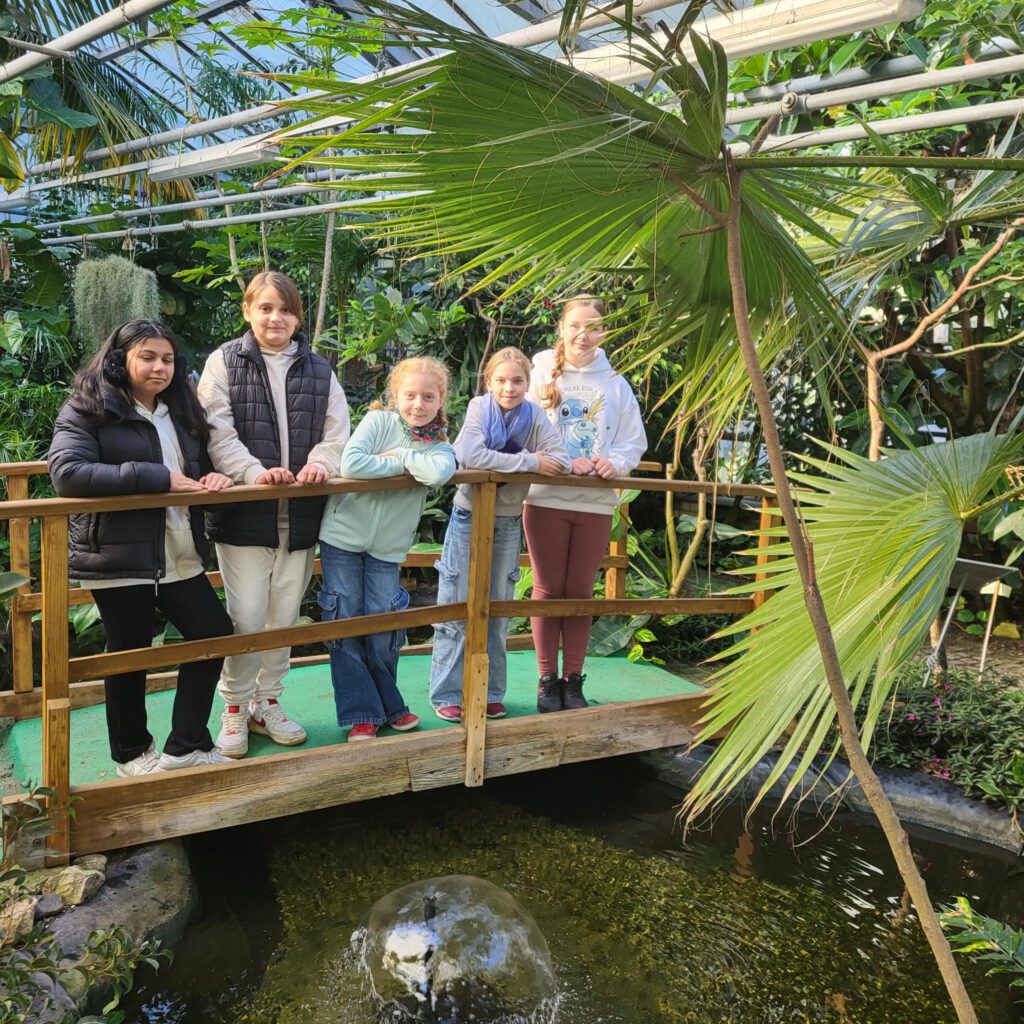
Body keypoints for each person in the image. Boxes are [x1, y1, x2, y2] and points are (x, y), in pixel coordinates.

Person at [48, 320, 236, 776]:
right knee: (129, 650)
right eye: (147, 357)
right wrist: (154, 477)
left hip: (178, 547)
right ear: (120, 359)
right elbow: (67, 473)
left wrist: (214, 475)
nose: (159, 367)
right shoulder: (89, 407)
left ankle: (186, 742)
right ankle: (131, 753)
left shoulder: (181, 410)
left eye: (167, 359)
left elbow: (198, 463)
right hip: (118, 553)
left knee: (213, 632)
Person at [197, 271, 350, 758]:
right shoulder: (223, 363)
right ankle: (236, 709)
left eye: (285, 310)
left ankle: (269, 703)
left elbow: (337, 432)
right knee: (245, 617)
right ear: (247, 311)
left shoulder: (320, 369)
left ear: (297, 316)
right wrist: (253, 473)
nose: (275, 318)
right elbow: (216, 431)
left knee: (283, 618)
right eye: (264, 308)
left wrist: (321, 465)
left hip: (300, 516)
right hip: (246, 515)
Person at [318, 356, 457, 741]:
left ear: (440, 399)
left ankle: (389, 704)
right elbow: (352, 464)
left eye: (428, 397)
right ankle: (361, 713)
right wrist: (407, 466)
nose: (418, 404)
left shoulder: (441, 445)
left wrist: (397, 457)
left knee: (382, 627)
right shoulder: (378, 421)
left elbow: (438, 473)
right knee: (346, 623)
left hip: (387, 548)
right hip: (342, 539)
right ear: (395, 394)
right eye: (410, 394)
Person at [428, 347, 569, 722]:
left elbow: (562, 458)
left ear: (528, 383)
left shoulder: (534, 416)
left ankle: (490, 691)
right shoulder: (478, 408)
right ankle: (446, 692)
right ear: (489, 381)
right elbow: (470, 455)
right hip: (468, 515)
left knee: (499, 607)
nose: (509, 388)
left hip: (507, 519)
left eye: (518, 380)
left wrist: (528, 460)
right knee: (455, 603)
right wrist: (529, 461)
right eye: (501, 380)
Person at [524, 296, 647, 713]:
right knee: (546, 588)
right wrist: (557, 460)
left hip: (595, 500)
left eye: (593, 326)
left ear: (605, 331)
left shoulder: (614, 382)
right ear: (561, 327)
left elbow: (633, 439)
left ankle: (573, 680)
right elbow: (519, 427)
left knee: (580, 591)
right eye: (576, 325)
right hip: (546, 497)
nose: (584, 334)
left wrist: (615, 462)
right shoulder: (538, 372)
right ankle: (546, 679)